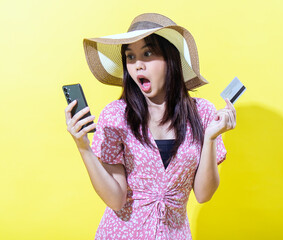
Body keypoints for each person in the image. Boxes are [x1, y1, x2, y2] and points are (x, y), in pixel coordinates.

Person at [65, 13, 236, 240]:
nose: (138, 65)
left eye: (147, 53)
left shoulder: (201, 113)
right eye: (131, 57)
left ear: (171, 59)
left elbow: (204, 194)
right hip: (120, 234)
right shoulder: (116, 115)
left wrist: (211, 138)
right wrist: (83, 147)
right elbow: (115, 199)